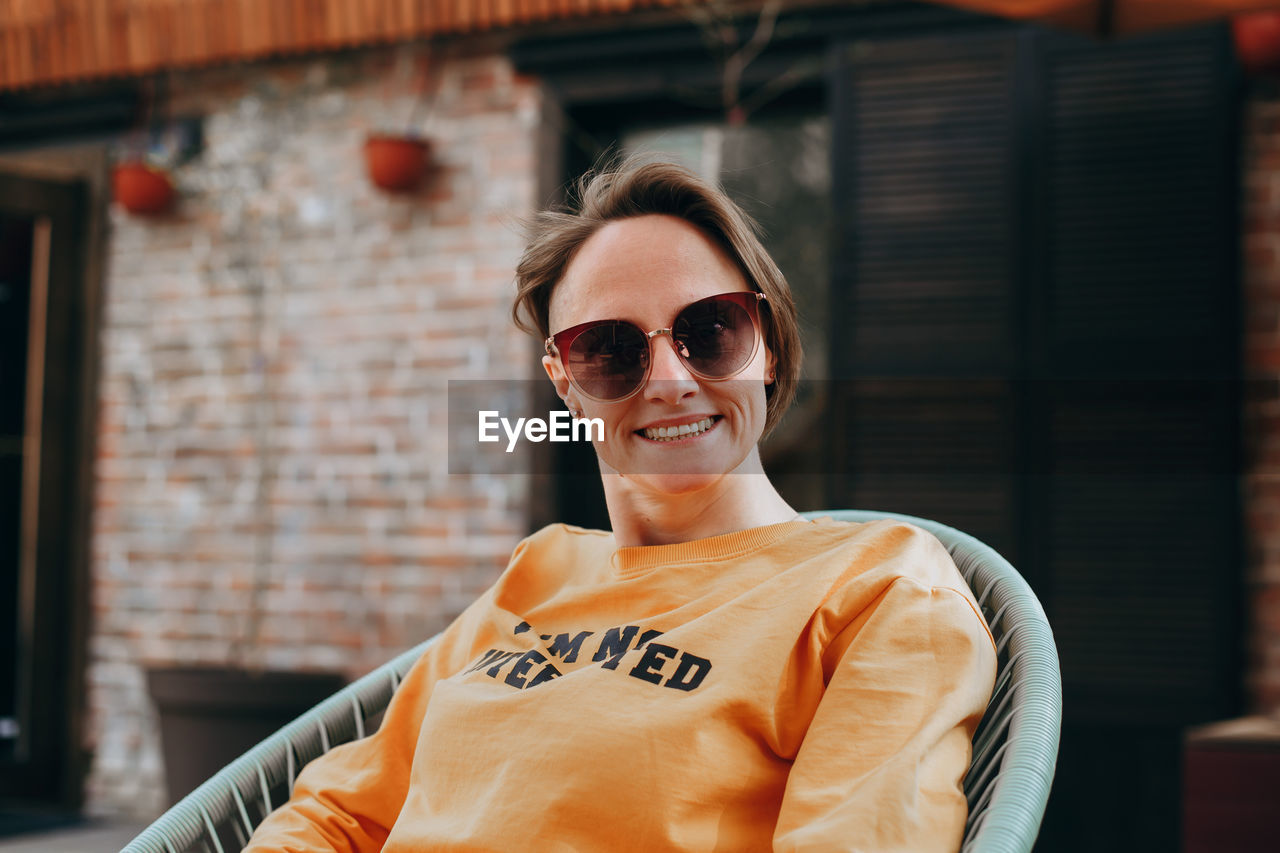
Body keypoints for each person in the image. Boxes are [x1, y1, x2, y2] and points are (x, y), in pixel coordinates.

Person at [244, 158, 997, 852]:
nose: (669, 378)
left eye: (710, 330)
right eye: (609, 348)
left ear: (763, 345)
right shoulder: (539, 570)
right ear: (564, 383)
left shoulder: (880, 589)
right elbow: (340, 813)